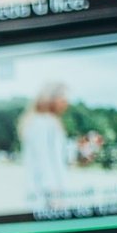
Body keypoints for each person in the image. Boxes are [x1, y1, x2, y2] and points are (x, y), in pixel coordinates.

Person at [18, 82, 72, 213]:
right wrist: (54, 194)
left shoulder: (41, 121)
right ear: (50, 98)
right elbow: (44, 161)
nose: (66, 102)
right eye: (62, 97)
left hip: (46, 195)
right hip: (48, 198)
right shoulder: (43, 123)